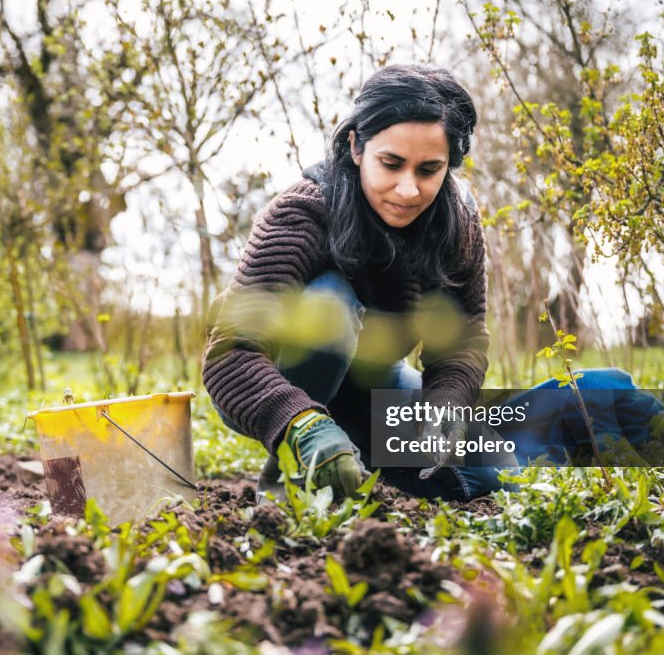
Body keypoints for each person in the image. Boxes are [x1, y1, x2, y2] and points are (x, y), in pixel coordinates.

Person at [202, 64, 522, 503]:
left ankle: (351, 452)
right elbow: (230, 354)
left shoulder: (457, 223)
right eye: (390, 164)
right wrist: (301, 423)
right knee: (329, 306)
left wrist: (445, 410)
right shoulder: (304, 212)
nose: (407, 189)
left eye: (429, 170)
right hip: (265, 380)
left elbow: (462, 341)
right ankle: (288, 481)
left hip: (370, 383)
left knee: (491, 471)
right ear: (356, 146)